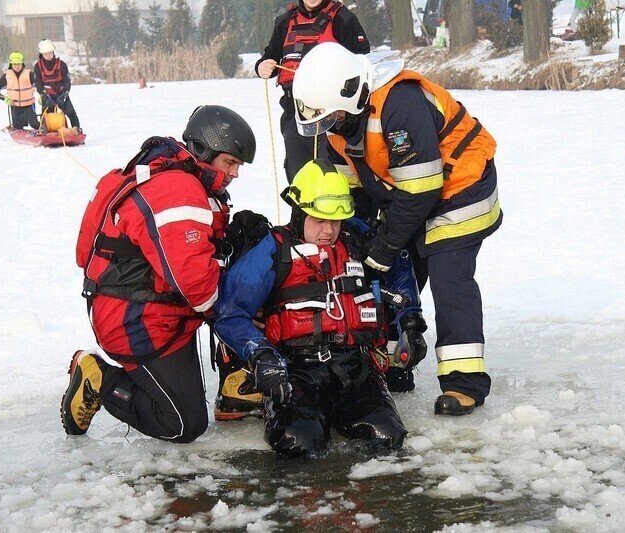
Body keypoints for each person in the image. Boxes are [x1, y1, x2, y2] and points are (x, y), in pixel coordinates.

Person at [292, 42, 503, 417]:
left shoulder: (399, 103)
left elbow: (423, 188)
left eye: (331, 119)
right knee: (392, 280)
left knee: (447, 277)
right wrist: (350, 243)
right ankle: (392, 363)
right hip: (409, 194)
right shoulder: (340, 120)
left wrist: (384, 247)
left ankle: (464, 383)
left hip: (459, 191)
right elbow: (352, 195)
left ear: (351, 94)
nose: (328, 127)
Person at [61, 105, 256, 443]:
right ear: (203, 151)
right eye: (231, 163)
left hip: (156, 309)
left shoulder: (179, 179)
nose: (235, 174)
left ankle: (237, 381)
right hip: (134, 318)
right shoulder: (178, 191)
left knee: (249, 266)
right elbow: (199, 288)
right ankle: (98, 379)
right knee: (182, 425)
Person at [214, 159, 425, 457]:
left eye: (336, 221)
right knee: (299, 441)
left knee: (388, 437)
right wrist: (261, 355)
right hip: (298, 369)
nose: (328, 230)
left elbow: (398, 267)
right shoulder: (274, 250)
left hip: (357, 366)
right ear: (299, 213)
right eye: (319, 220)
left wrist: (412, 323)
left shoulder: (356, 238)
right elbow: (230, 312)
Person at [255, 0, 370, 183]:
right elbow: (271, 55)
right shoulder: (284, 22)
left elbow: (362, 61)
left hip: (333, 117)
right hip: (295, 114)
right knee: (299, 178)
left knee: (332, 177)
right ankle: (300, 212)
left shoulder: (343, 18)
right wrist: (262, 66)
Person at [34, 39, 81, 132]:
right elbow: (38, 84)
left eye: (50, 53)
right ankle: (46, 132)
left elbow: (67, 82)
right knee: (46, 116)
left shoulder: (62, 65)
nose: (48, 56)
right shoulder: (37, 66)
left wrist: (64, 95)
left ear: (53, 52)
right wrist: (45, 97)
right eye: (46, 54)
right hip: (47, 96)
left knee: (71, 112)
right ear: (42, 54)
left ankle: (77, 129)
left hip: (61, 95)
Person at [0, 52, 39, 130]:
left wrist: (42, 95)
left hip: (29, 106)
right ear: (11, 65)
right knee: (17, 128)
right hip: (15, 107)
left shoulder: (30, 74)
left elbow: (40, 86)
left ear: (22, 64)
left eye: (19, 64)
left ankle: (44, 131)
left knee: (34, 124)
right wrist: (5, 98)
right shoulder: (6, 76)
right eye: (14, 64)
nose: (17, 66)